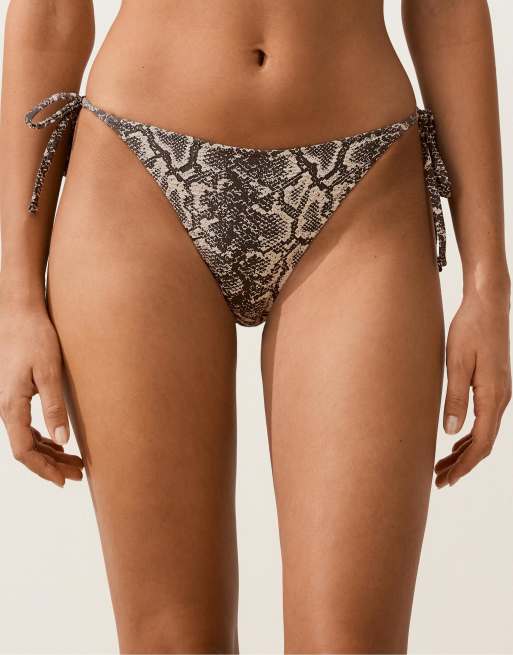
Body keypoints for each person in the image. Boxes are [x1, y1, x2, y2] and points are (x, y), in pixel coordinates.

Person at [0, 1, 510, 652]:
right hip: (136, 178)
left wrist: (488, 288)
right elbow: (48, 14)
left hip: (362, 185)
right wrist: (16, 297)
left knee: (349, 643)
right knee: (171, 643)